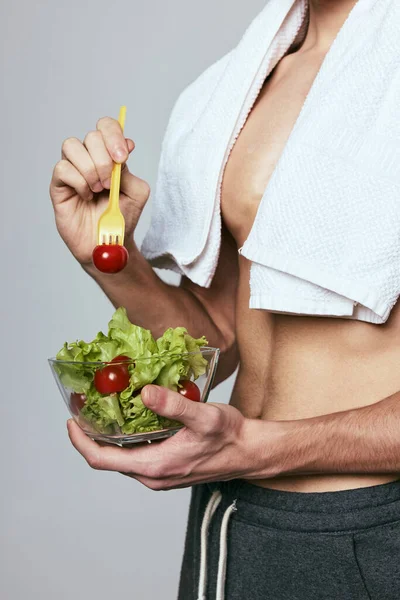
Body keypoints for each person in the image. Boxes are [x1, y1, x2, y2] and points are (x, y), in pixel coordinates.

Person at [49, 0, 400, 598]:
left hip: (371, 524)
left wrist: (261, 449)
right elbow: (217, 337)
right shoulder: (239, 84)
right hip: (233, 512)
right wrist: (113, 260)